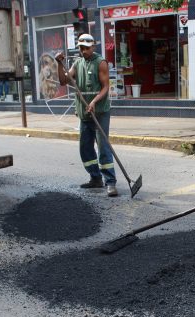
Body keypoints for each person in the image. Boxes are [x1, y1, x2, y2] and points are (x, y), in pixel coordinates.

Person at [55, 33, 117, 197]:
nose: (84, 51)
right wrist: (58, 64)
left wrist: (94, 101)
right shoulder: (77, 63)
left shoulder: (101, 63)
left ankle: (110, 182)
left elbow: (105, 87)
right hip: (84, 113)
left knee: (103, 147)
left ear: (93, 47)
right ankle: (95, 178)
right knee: (85, 147)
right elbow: (63, 81)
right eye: (81, 48)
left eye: (87, 48)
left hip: (100, 112)